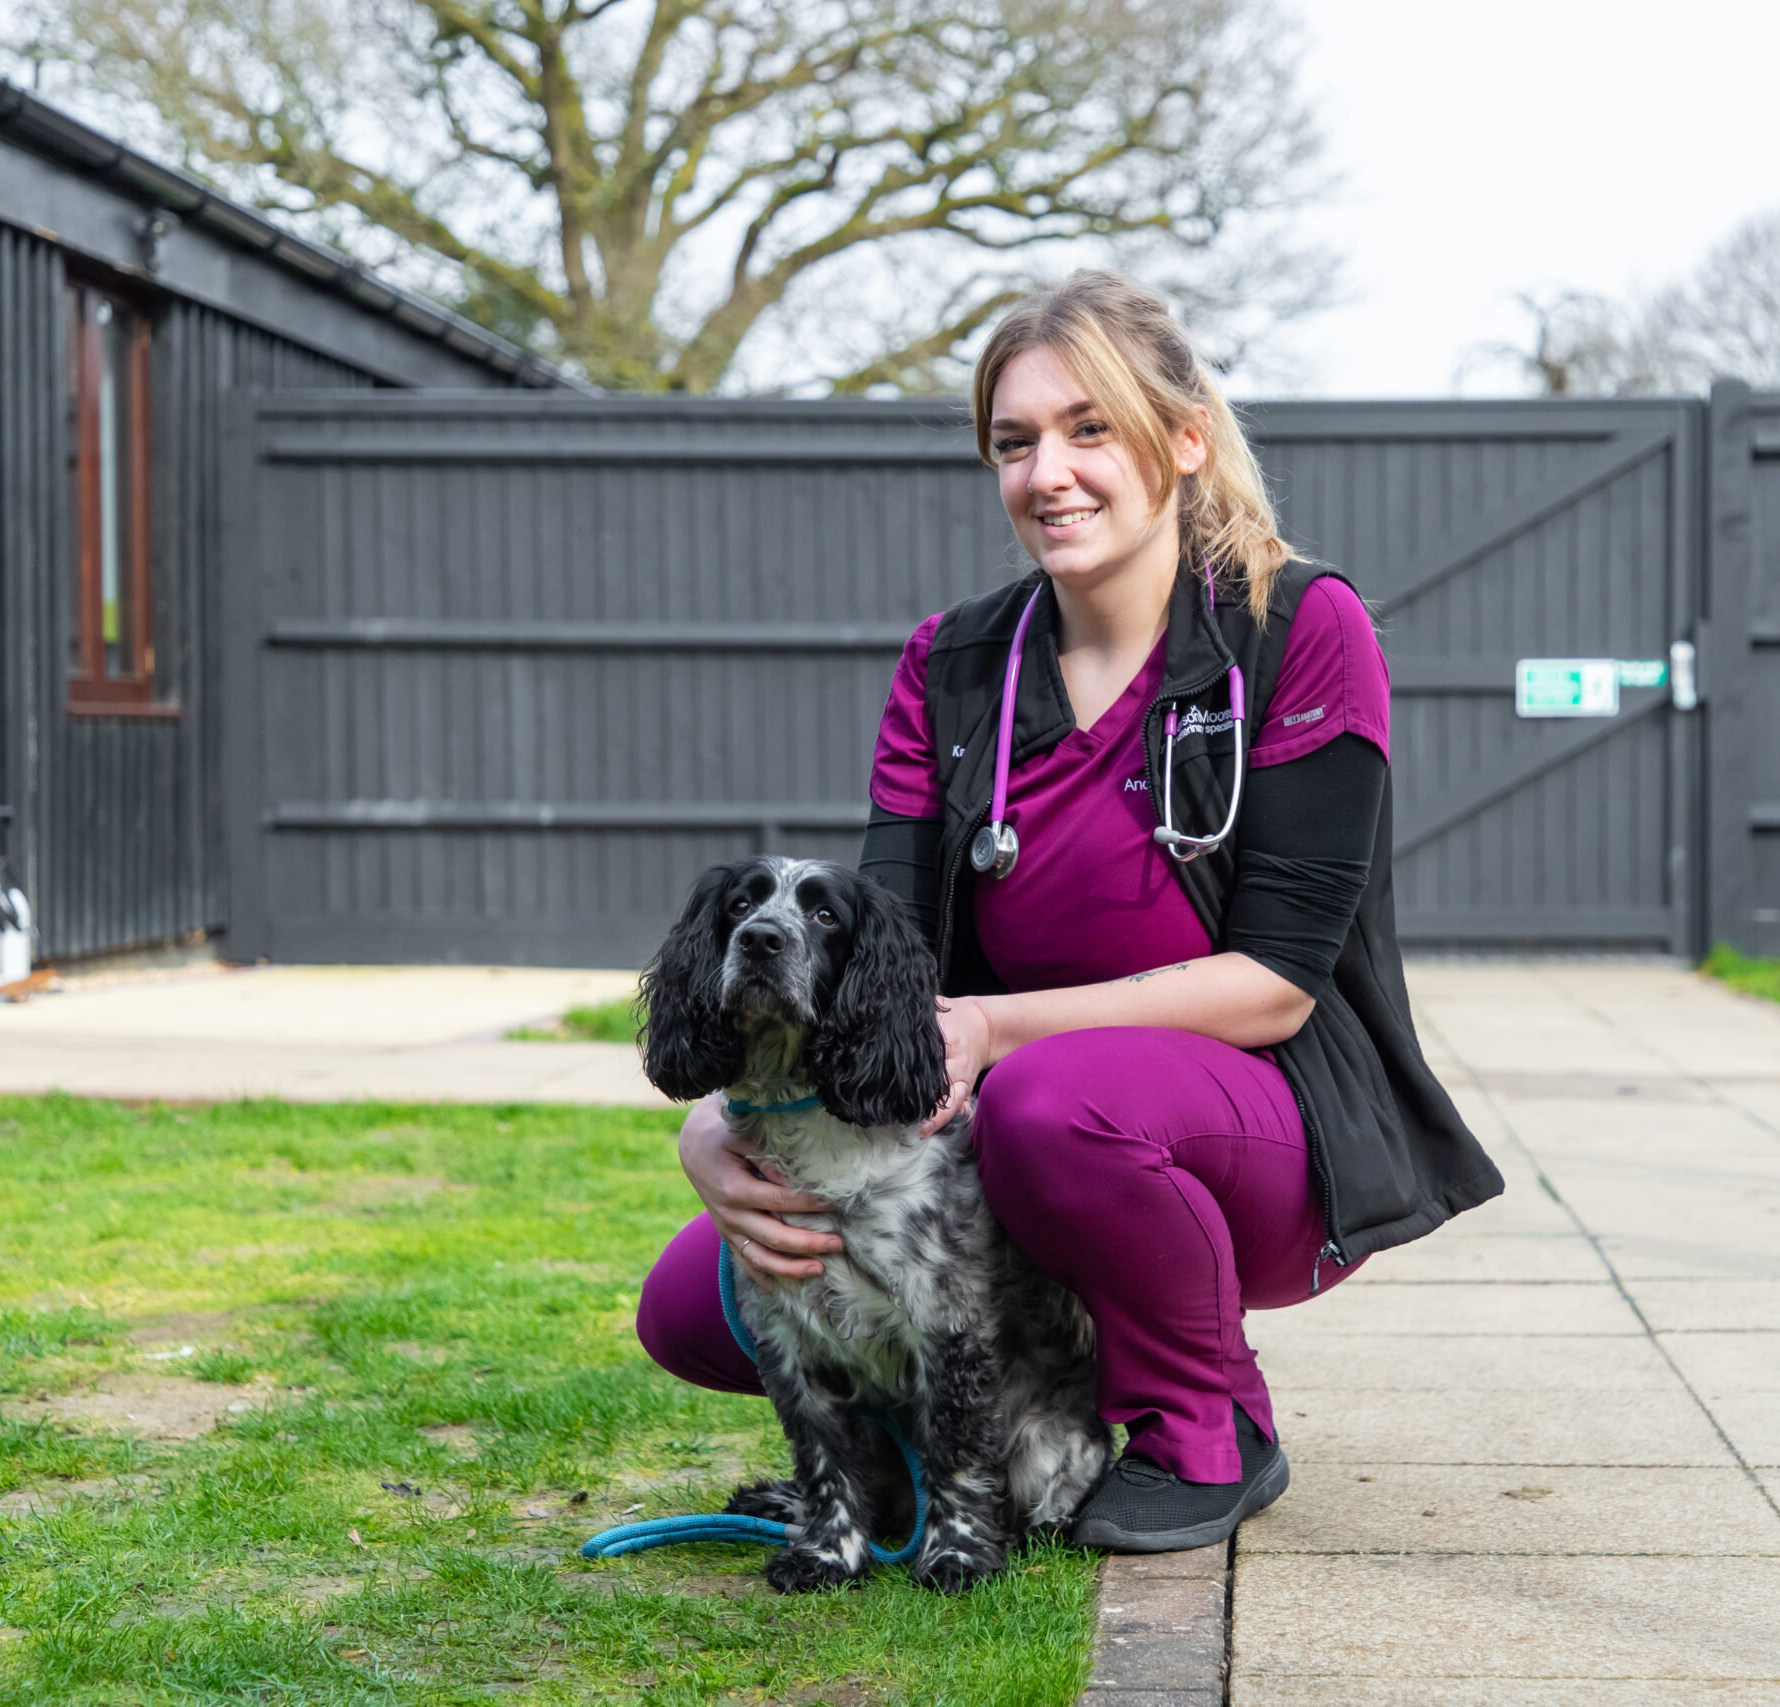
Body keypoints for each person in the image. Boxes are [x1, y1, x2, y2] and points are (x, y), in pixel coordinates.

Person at [636, 269, 1503, 1553]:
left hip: (1261, 1125)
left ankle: (1207, 1423)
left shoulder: (1296, 628)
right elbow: (873, 950)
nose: (1050, 472)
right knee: (697, 1302)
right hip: (1012, 1125)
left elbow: (1274, 982)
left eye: (1090, 427)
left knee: (1057, 1107)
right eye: (1015, 441)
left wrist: (992, 1026)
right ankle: (939, 1444)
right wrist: (720, 1127)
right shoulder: (950, 666)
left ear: (1184, 439)